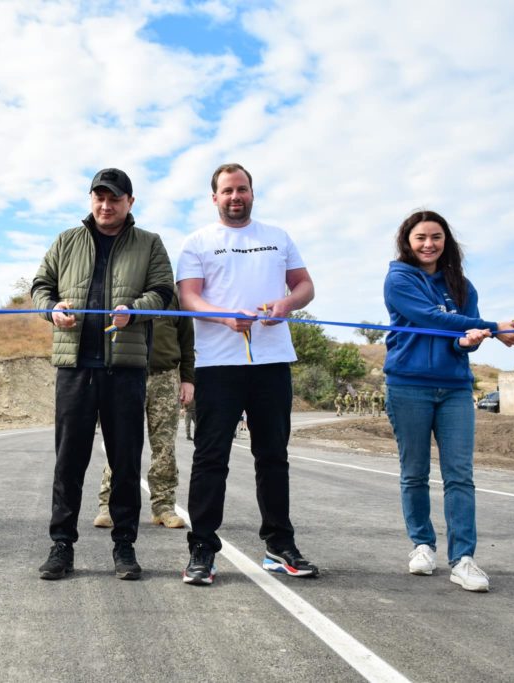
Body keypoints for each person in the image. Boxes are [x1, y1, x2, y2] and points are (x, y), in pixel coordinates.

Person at [177, 163, 318, 585]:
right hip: (218, 365)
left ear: (252, 193)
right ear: (214, 197)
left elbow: (305, 285)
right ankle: (202, 547)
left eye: (242, 189)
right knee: (210, 458)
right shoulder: (198, 241)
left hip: (272, 362)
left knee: (273, 457)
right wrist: (223, 319)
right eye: (227, 191)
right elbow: (188, 296)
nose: (235, 197)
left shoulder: (278, 237)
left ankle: (279, 546)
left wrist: (286, 305)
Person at [31, 167, 174, 581]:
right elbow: (41, 285)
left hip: (125, 369)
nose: (105, 205)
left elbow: (164, 292)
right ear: (90, 199)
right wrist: (51, 309)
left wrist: (136, 309)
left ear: (130, 202)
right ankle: (61, 546)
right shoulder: (66, 240)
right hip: (74, 368)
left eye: (114, 198)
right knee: (68, 462)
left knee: (125, 461)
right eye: (98, 197)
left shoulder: (149, 243)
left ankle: (125, 548)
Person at [383, 209, 514, 592]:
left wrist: (475, 338)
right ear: (407, 242)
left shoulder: (462, 286)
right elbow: (429, 318)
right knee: (414, 472)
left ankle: (463, 559)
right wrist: (497, 329)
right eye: (420, 238)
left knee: (460, 475)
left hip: (455, 388)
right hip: (408, 385)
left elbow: (460, 336)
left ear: (446, 242)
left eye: (436, 237)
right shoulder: (399, 278)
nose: (429, 244)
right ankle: (422, 546)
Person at [93, 292, 194, 530]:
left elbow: (187, 339)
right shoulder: (122, 291)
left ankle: (163, 507)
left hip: (166, 377)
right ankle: (108, 505)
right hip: (126, 373)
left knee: (165, 447)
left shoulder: (172, 298)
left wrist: (188, 378)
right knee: (121, 444)